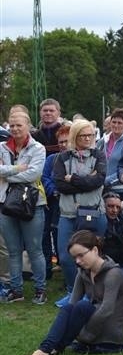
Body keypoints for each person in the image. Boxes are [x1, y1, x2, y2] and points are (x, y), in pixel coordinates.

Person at [20, 230, 123, 355]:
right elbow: (72, 304)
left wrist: (84, 333)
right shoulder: (83, 272)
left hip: (109, 334)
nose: (78, 261)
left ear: (95, 250)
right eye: (75, 258)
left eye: (81, 255)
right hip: (90, 326)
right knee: (68, 307)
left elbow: (107, 309)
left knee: (83, 306)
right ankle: (47, 348)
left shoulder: (113, 274)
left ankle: (52, 348)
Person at [53, 119, 107, 307]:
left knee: (94, 256)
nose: (87, 138)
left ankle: (93, 294)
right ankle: (72, 291)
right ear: (74, 136)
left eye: (90, 135)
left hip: (94, 213)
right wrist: (86, 180)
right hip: (68, 214)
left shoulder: (99, 155)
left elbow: (98, 181)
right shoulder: (62, 158)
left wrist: (73, 179)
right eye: (83, 135)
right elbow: (60, 185)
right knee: (66, 257)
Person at [0, 111, 48, 304]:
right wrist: (17, 169)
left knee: (35, 249)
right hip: (5, 203)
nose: (15, 129)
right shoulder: (2, 147)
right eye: (11, 125)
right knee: (13, 250)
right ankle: (16, 290)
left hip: (32, 203)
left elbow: (33, 174)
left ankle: (40, 289)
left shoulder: (38, 148)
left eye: (19, 125)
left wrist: (5, 174)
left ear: (28, 126)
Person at [41, 124, 69, 280]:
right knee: (46, 234)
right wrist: (54, 190)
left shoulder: (77, 159)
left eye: (66, 141)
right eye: (61, 141)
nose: (63, 144)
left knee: (62, 236)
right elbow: (44, 177)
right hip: (51, 203)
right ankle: (46, 269)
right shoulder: (52, 159)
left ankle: (67, 274)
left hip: (69, 205)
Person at [96, 109, 123, 200]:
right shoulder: (103, 141)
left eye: (120, 123)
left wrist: (107, 181)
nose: (116, 125)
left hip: (121, 190)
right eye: (114, 122)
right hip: (102, 189)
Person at [102, 192, 123, 272]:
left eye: (118, 207)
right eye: (110, 206)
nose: (115, 210)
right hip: (106, 266)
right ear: (103, 206)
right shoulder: (99, 222)